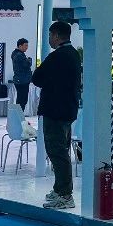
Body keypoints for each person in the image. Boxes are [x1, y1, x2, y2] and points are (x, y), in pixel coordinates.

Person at [31, 21, 81, 210]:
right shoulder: (74, 54)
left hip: (55, 110)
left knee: (57, 152)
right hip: (68, 109)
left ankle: (65, 195)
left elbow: (37, 78)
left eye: (51, 35)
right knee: (61, 151)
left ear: (57, 36)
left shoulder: (57, 56)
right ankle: (60, 189)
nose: (49, 39)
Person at [11, 38, 33, 112]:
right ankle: (19, 116)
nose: (27, 47)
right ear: (20, 46)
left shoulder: (15, 53)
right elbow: (27, 65)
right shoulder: (19, 55)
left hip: (19, 80)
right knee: (22, 100)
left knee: (20, 99)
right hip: (22, 80)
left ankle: (19, 115)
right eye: (25, 45)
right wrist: (29, 60)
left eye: (27, 45)